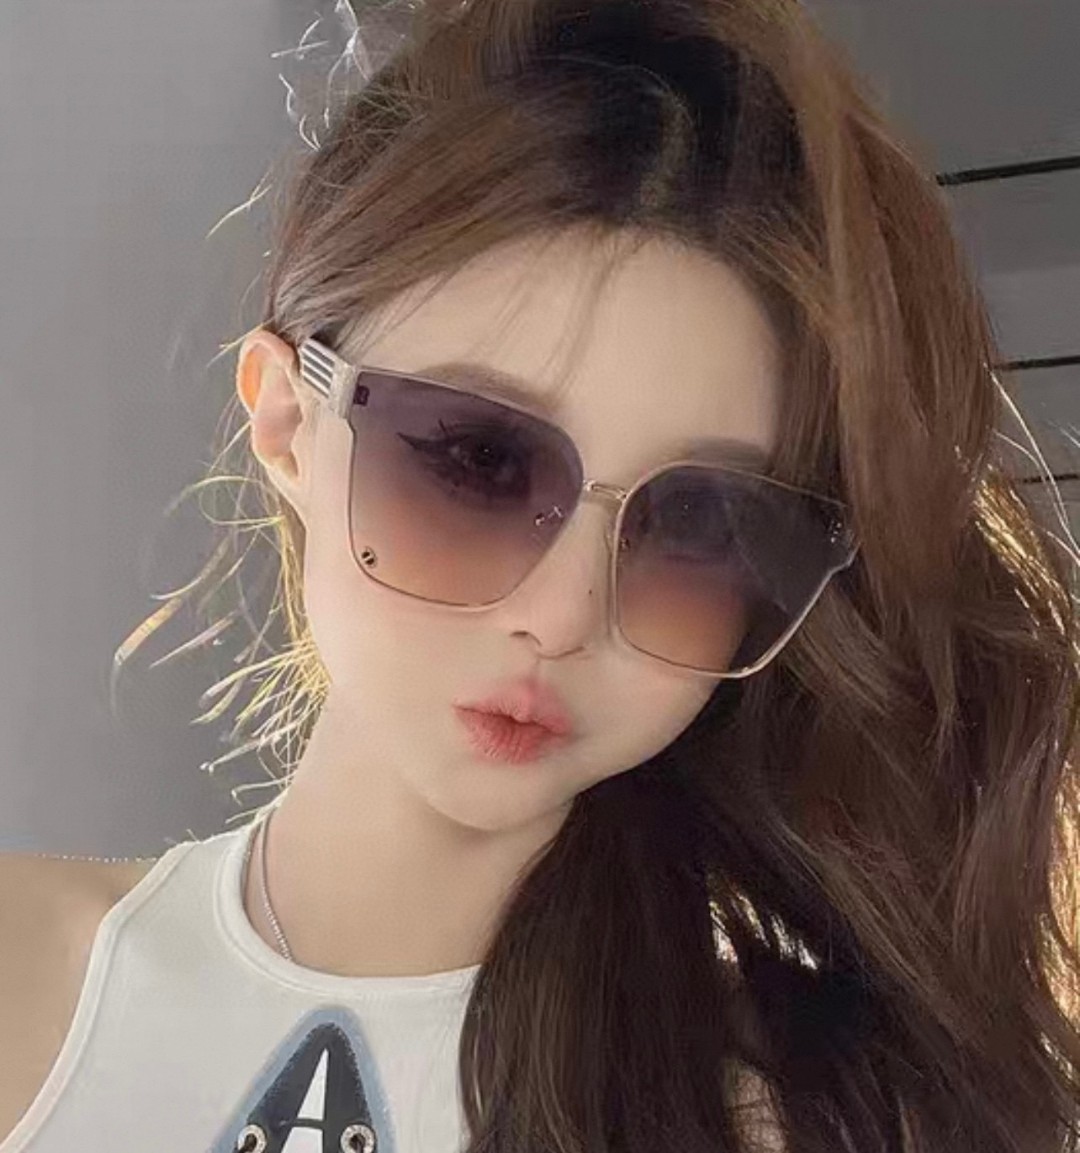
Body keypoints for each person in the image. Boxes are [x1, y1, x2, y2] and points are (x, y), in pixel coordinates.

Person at [3, 0, 1079, 1149]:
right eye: (478, 460)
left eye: (701, 525)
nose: (565, 615)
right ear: (285, 422)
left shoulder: (801, 1112)